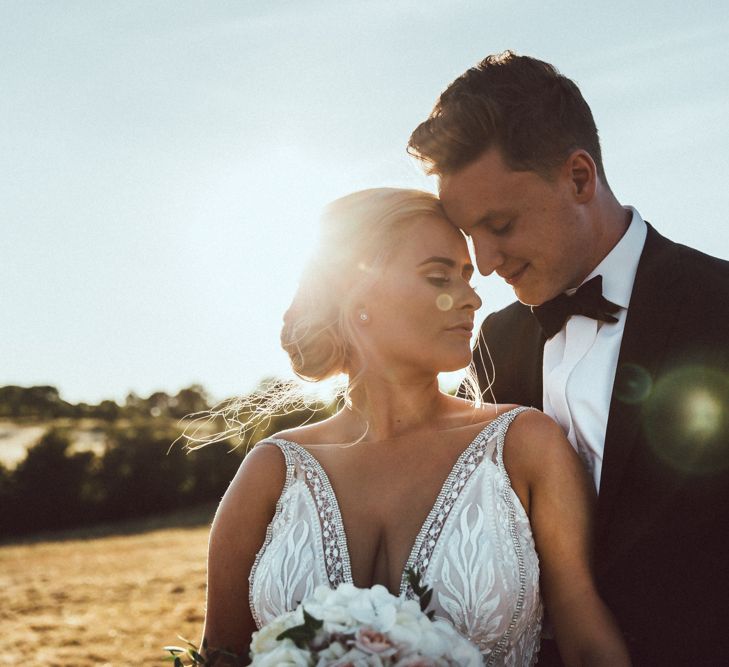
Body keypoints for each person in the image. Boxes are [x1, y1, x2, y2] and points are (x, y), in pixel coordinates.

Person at [202, 188, 629, 665]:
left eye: (467, 277)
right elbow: (220, 653)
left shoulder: (524, 445)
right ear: (358, 294)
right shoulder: (271, 471)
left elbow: (586, 641)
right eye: (438, 276)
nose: (471, 298)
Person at [408, 51, 729, 666]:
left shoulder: (719, 307)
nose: (485, 263)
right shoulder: (493, 344)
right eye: (469, 235)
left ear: (579, 177)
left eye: (499, 224)